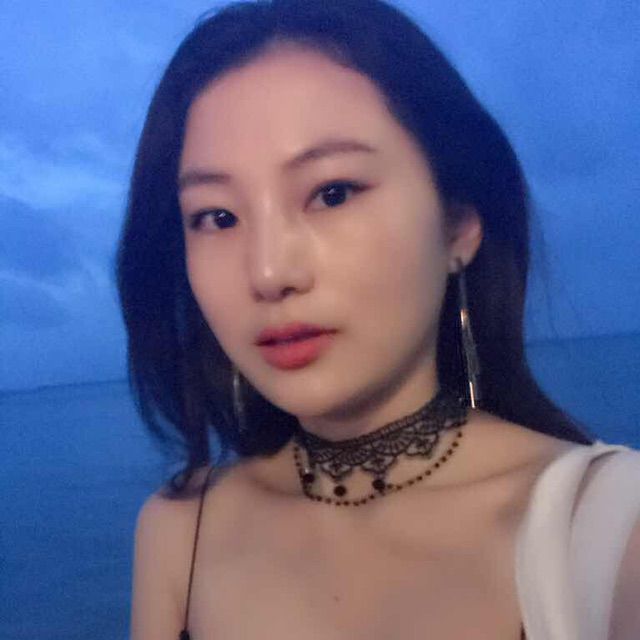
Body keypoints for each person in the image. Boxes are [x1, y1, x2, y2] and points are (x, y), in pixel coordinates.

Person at [115, 1, 640, 638]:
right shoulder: (181, 532)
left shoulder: (608, 530)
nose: (269, 272)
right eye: (217, 217)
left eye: (332, 192)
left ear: (458, 224)